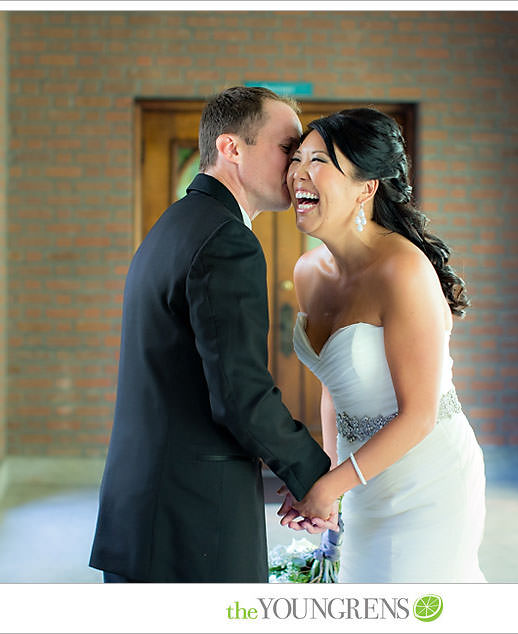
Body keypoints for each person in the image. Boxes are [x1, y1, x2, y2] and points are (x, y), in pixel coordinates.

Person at [89, 86, 336, 583]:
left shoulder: (178, 224)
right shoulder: (226, 240)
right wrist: (315, 474)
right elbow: (240, 393)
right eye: (288, 148)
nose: (297, 167)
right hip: (190, 516)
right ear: (231, 149)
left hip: (149, 506)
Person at [276, 108, 487, 582]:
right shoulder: (308, 273)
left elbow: (419, 416)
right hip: (361, 477)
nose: (298, 173)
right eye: (297, 158)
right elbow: (334, 388)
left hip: (428, 481)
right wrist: (329, 481)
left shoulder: (403, 271)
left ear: (366, 188)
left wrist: (331, 486)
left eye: (320, 160)